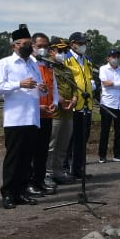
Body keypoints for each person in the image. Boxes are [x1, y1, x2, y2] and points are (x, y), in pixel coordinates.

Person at [0, 26, 44, 209]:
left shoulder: (33, 63)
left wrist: (41, 88)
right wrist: (18, 84)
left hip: (32, 117)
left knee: (27, 158)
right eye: (24, 44)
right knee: (14, 158)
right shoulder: (5, 63)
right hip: (15, 118)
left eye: (30, 44)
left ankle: (22, 191)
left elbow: (38, 86)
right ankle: (8, 193)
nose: (28, 47)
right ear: (14, 46)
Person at [29, 31, 59, 195]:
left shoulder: (48, 64)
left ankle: (39, 181)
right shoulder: (29, 64)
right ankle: (30, 182)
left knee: (42, 151)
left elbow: (54, 87)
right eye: (40, 46)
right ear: (32, 46)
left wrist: (55, 103)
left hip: (48, 113)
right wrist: (37, 106)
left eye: (46, 46)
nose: (43, 49)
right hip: (34, 114)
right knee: (32, 152)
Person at [64, 31, 96, 179]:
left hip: (87, 105)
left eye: (85, 44)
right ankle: (64, 169)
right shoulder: (66, 60)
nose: (83, 46)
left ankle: (78, 169)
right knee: (70, 139)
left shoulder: (87, 60)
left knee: (83, 138)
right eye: (81, 43)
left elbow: (89, 78)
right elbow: (65, 83)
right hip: (74, 105)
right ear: (72, 44)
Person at [46, 36, 78, 184]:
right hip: (54, 112)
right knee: (51, 145)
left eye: (65, 50)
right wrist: (59, 100)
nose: (63, 53)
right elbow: (48, 88)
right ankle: (47, 173)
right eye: (60, 50)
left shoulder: (67, 70)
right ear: (51, 51)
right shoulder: (46, 67)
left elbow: (74, 89)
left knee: (63, 145)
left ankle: (58, 172)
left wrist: (74, 99)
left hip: (68, 112)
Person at [98, 48, 120, 162]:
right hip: (107, 104)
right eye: (113, 56)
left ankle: (118, 154)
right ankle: (102, 156)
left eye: (117, 57)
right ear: (108, 58)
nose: (115, 59)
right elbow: (105, 83)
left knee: (119, 130)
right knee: (105, 130)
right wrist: (118, 84)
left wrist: (113, 83)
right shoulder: (103, 69)